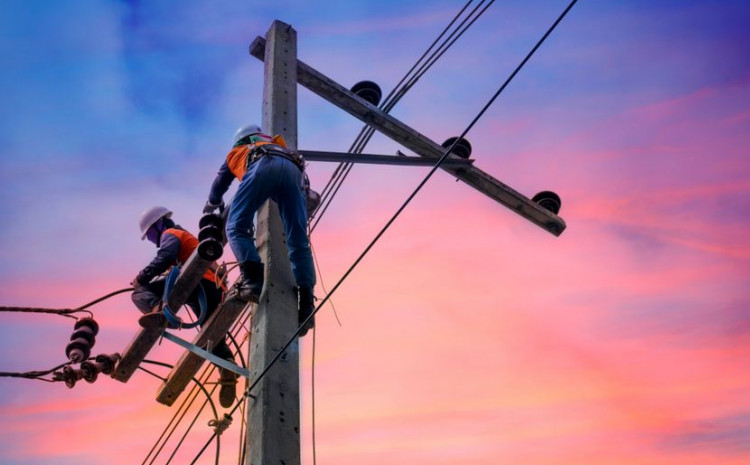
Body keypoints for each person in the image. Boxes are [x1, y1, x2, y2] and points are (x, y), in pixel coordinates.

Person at [203, 124, 316, 335]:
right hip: (294, 171)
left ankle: (252, 282)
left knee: (236, 227)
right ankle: (307, 304)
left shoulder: (238, 151)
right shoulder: (276, 144)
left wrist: (212, 203)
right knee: (298, 241)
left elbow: (220, 184)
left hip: (263, 164)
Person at [132, 205, 238, 408]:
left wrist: (141, 277)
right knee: (211, 336)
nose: (153, 241)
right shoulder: (186, 238)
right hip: (214, 288)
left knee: (139, 294)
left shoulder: (171, 234)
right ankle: (227, 369)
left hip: (197, 282)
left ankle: (158, 312)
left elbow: (163, 257)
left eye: (151, 235)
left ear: (158, 225)